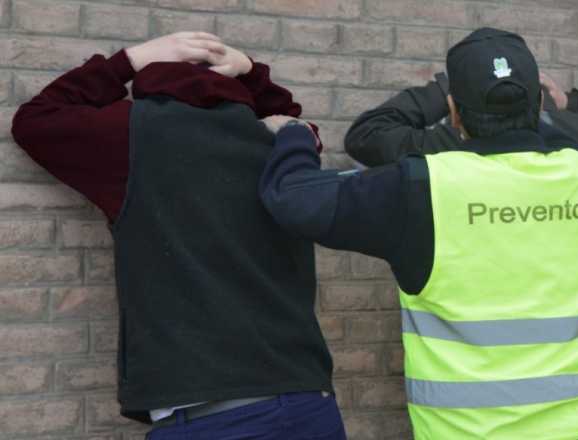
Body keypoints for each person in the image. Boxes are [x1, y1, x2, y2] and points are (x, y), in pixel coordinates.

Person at [259, 28, 578, 439]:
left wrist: (294, 135)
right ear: (539, 102)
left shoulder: (423, 186)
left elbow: (291, 198)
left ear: (454, 113)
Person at [11, 32, 345, 439]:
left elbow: (36, 120)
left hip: (214, 417)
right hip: (310, 404)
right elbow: (293, 117)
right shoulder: (285, 142)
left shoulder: (135, 134)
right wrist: (251, 71)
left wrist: (128, 61)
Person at [343, 50, 578, 440]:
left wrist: (444, 90)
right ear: (537, 96)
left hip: (480, 419)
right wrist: (573, 103)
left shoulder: (441, 150)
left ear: (460, 110)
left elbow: (366, 135)